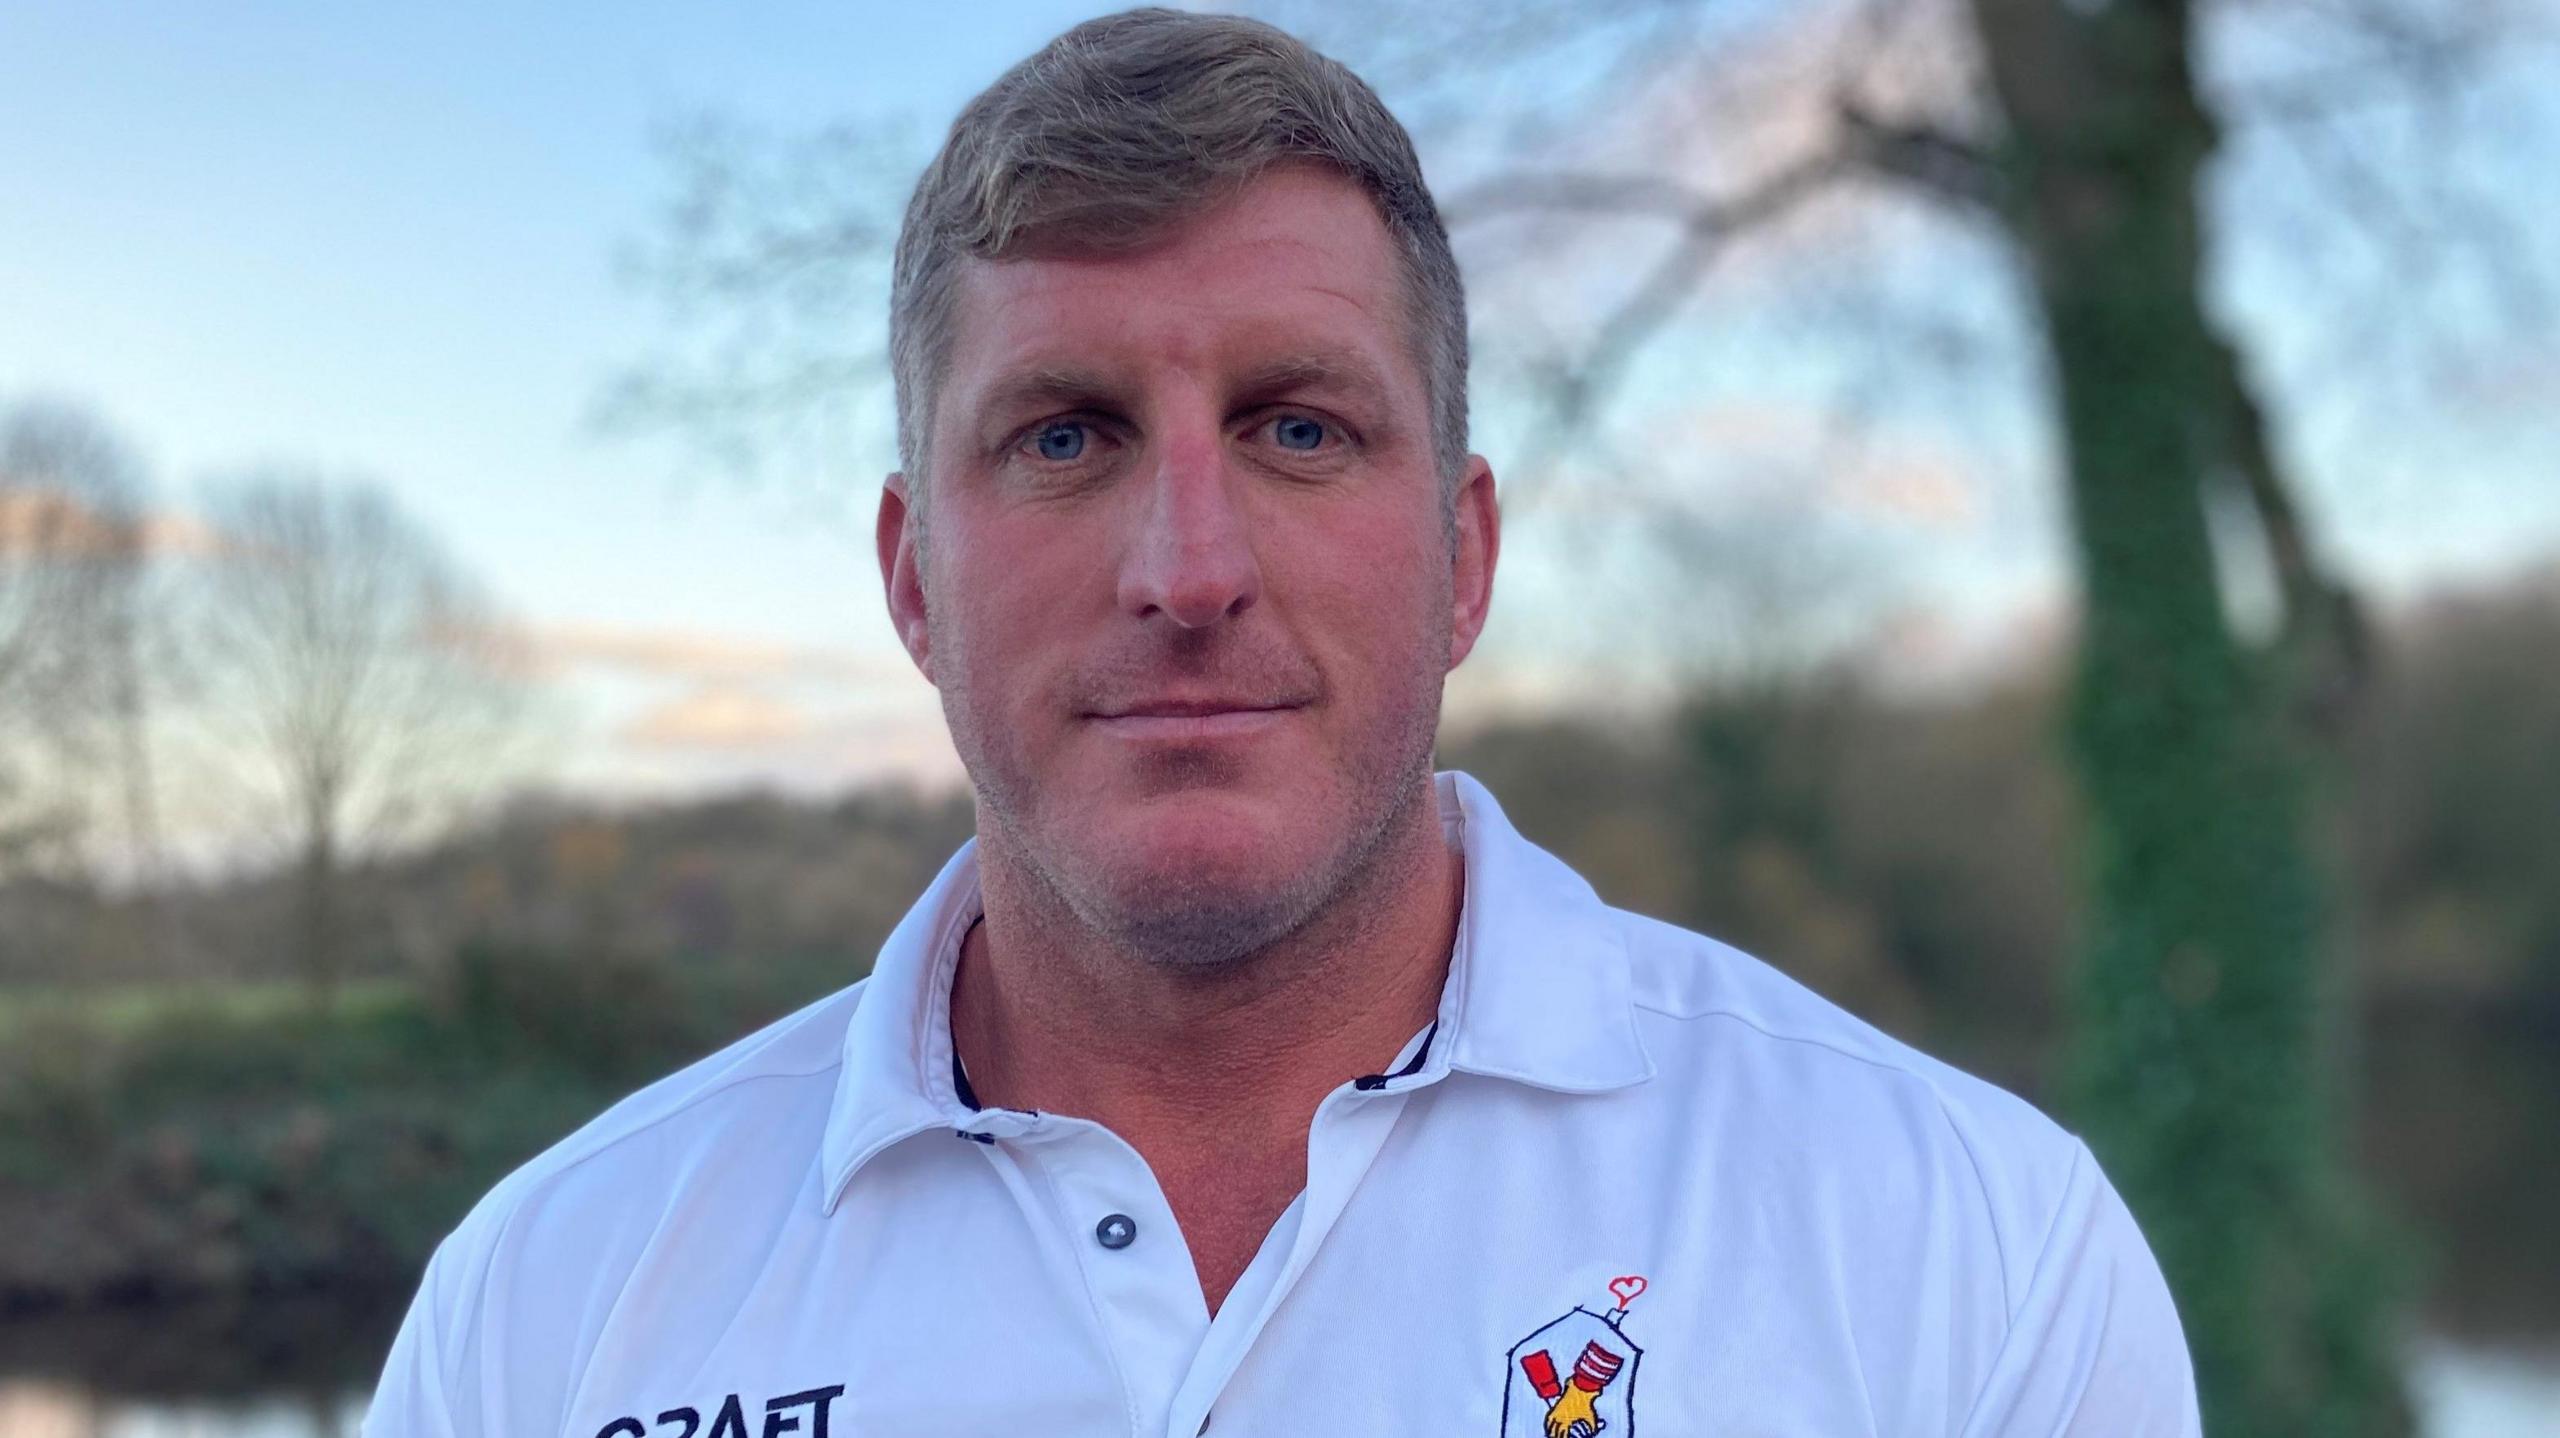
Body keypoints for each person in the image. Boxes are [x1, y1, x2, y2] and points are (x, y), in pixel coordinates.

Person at [364, 9, 2199, 1436]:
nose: (1188, 567)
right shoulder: (548, 1308)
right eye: (1065, 433)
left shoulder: (1964, 1249)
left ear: (1462, 557)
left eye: (1297, 427)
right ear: (914, 577)